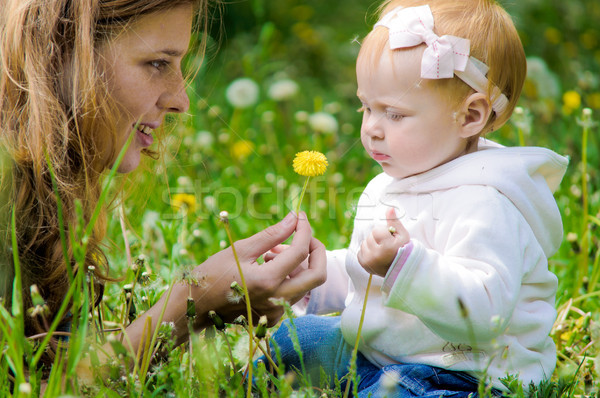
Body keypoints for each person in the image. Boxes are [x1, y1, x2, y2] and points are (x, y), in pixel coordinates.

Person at [0, 0, 326, 381]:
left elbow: (46, 376)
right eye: (158, 64)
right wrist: (193, 303)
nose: (181, 100)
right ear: (62, 51)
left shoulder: (45, 200)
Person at [266, 0, 568, 396]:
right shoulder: (392, 182)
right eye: (366, 107)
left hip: (462, 372)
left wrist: (403, 265)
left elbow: (484, 313)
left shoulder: (487, 203)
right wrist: (316, 279)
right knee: (294, 340)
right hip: (380, 353)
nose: (372, 128)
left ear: (470, 116)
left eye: (394, 114)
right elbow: (368, 273)